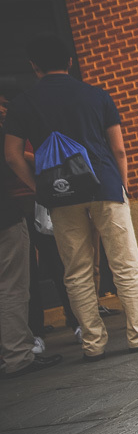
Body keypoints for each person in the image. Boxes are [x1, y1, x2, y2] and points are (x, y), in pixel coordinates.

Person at [5, 37, 138, 362]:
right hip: (104, 185)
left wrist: (38, 188)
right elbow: (118, 148)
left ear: (35, 66)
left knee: (76, 270)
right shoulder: (96, 95)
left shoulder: (22, 104)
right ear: (70, 62)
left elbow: (13, 155)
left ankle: (93, 344)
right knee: (125, 262)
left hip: (59, 193)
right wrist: (123, 185)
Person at [1, 105, 63, 379]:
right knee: (13, 289)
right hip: (5, 218)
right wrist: (38, 189)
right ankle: (17, 356)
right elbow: (12, 160)